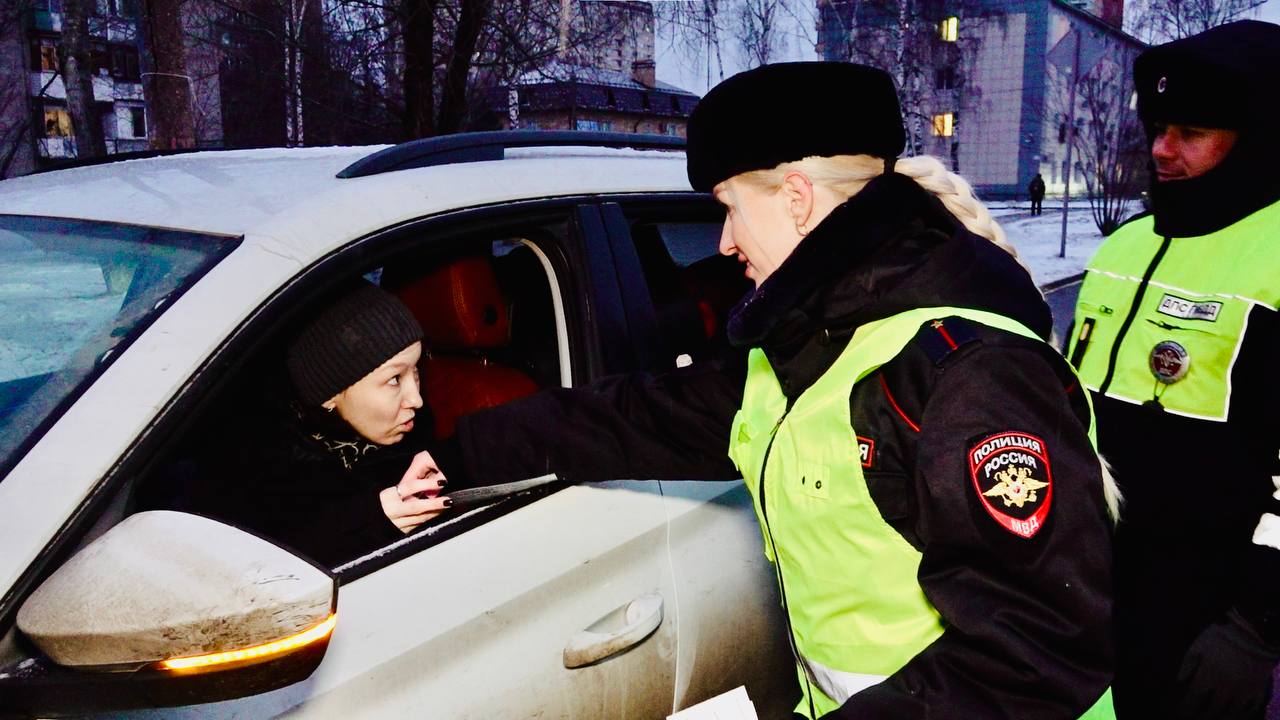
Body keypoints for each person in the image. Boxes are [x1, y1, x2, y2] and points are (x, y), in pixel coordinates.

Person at [412, 62, 1117, 718]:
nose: (723, 241)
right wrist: (459, 455)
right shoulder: (806, 349)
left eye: (729, 208)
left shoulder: (967, 373)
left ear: (797, 199)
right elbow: (632, 417)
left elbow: (1034, 653)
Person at [1065, 20, 1280, 720]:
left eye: (1192, 132)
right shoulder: (1123, 244)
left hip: (1205, 618)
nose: (1162, 149)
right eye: (1159, 127)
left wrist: (1257, 624)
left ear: (1257, 137)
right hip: (1083, 593)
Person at [150, 280, 452, 567]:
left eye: (416, 370)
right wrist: (369, 520)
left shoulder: (416, 439)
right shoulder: (254, 471)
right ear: (329, 394)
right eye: (395, 379)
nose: (416, 399)